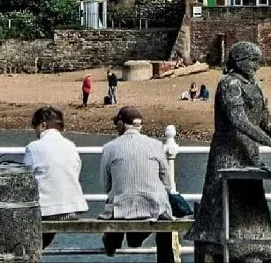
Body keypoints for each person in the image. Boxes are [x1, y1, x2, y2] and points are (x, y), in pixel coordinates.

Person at [193, 42, 271, 261]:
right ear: (239, 61)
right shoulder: (229, 84)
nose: (257, 66)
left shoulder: (253, 85)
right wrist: (267, 140)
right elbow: (239, 120)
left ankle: (253, 249)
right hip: (228, 151)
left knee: (251, 200)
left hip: (248, 151)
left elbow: (264, 116)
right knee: (226, 201)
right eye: (253, 61)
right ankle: (222, 248)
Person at [100, 106, 173, 256]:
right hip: (154, 207)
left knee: (117, 208)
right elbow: (167, 183)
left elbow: (105, 185)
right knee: (164, 217)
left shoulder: (109, 148)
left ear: (121, 124)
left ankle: (113, 243)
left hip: (121, 209)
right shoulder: (156, 145)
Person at [24, 106, 88, 249]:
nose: (35, 132)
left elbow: (26, 179)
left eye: (35, 127)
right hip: (72, 209)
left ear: (43, 125)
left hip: (48, 211)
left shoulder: (34, 147)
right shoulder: (71, 146)